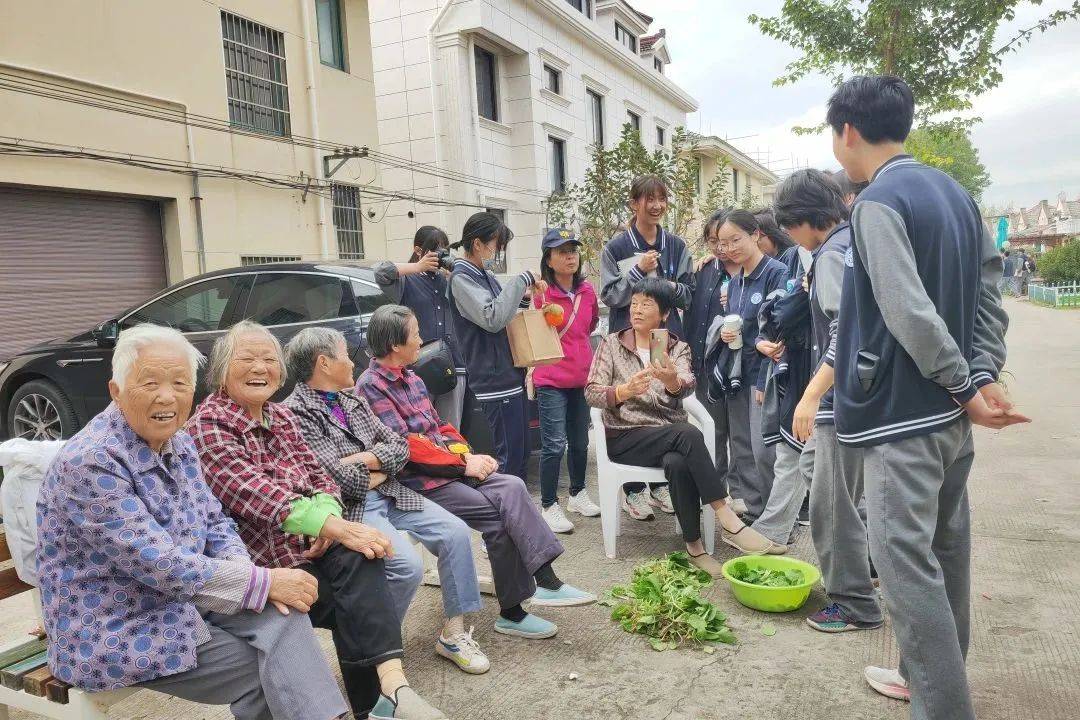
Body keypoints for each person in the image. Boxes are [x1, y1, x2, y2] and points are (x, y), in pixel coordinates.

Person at [827, 75, 1027, 719]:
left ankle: (942, 705)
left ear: (848, 131)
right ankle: (928, 676)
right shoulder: (958, 196)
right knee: (946, 548)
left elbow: (907, 312)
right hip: (947, 415)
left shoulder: (878, 203)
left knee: (904, 564)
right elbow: (987, 298)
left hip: (903, 414)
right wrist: (982, 371)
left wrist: (965, 382)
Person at [35, 324, 350, 720]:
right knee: (274, 664)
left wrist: (245, 575)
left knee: (283, 617)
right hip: (116, 625)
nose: (167, 396)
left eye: (180, 383)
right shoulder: (92, 461)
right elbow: (157, 562)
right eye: (150, 383)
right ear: (116, 391)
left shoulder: (179, 441)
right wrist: (263, 581)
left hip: (185, 599)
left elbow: (215, 521)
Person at [187, 321, 445, 720]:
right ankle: (379, 702)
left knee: (362, 560)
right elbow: (257, 494)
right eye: (247, 358)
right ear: (220, 369)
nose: (260, 367)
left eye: (269, 359)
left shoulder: (280, 417)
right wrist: (335, 527)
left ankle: (391, 688)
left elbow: (320, 476)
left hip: (307, 550)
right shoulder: (208, 425)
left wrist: (327, 519)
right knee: (354, 583)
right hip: (260, 571)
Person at [357, 304, 596, 642]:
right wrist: (461, 463)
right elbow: (405, 446)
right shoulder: (370, 386)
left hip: (448, 467)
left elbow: (440, 426)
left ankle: (545, 580)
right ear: (395, 344)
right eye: (415, 335)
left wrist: (468, 455)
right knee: (498, 518)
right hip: (418, 481)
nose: (422, 340)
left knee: (512, 485)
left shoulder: (411, 378)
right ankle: (516, 609)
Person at [283, 327, 491, 675]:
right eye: (345, 354)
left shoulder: (351, 398)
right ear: (323, 363)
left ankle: (453, 633)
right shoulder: (296, 413)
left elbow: (398, 446)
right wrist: (375, 464)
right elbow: (331, 476)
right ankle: (377, 650)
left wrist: (364, 461)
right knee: (406, 565)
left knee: (455, 533)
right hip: (353, 508)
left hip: (393, 493)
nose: (353, 360)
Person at [586, 276, 777, 565]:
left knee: (678, 460)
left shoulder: (677, 348)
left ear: (664, 314)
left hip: (669, 437)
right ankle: (726, 517)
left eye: (646, 304)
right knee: (688, 433)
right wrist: (623, 391)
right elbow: (591, 393)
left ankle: (695, 547)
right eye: (634, 304)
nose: (636, 310)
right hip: (626, 437)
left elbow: (687, 382)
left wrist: (671, 380)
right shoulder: (611, 344)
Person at [776, 168, 884, 635]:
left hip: (840, 400)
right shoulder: (846, 245)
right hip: (854, 397)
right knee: (823, 482)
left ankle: (854, 601)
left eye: (787, 226)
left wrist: (811, 393)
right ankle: (866, 566)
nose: (787, 236)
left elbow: (846, 333)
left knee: (830, 503)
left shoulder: (833, 255)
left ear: (801, 220)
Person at [447, 211, 544, 482]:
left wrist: (523, 299)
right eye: (496, 245)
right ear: (478, 244)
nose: (498, 251)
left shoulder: (483, 274)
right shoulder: (462, 278)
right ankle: (504, 518)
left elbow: (504, 316)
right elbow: (491, 318)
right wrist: (522, 279)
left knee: (520, 451)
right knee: (509, 459)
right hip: (493, 379)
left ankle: (518, 515)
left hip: (508, 373)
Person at [713, 209, 790, 521]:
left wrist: (758, 343)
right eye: (723, 243)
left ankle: (777, 515)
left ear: (756, 234)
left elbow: (780, 324)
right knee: (742, 445)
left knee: (765, 449)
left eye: (736, 239)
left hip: (765, 375)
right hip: (737, 373)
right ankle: (757, 510)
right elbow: (736, 326)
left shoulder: (777, 272)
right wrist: (726, 331)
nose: (730, 248)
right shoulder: (734, 283)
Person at [532, 228, 602, 533]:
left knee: (580, 441)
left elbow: (592, 325)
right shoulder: (540, 294)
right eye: (562, 251)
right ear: (549, 258)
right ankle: (549, 504)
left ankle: (577, 494)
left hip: (581, 377)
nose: (570, 256)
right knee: (553, 445)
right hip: (550, 378)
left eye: (573, 250)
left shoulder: (587, 292)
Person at [373, 226, 465, 428]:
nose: (440, 257)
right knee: (420, 428)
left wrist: (456, 276)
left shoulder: (448, 280)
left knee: (451, 430)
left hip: (453, 364)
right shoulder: (406, 280)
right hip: (418, 367)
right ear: (418, 250)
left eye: (444, 251)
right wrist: (418, 266)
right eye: (435, 250)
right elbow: (380, 272)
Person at [683, 210, 743, 515]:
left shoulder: (748, 270)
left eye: (725, 240)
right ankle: (717, 490)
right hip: (707, 364)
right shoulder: (703, 271)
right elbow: (692, 316)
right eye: (713, 240)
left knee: (742, 432)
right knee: (715, 430)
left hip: (741, 365)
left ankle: (744, 491)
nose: (720, 247)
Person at [600, 174, 695, 337]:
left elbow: (689, 296)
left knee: (662, 364)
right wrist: (638, 271)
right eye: (650, 200)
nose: (657, 206)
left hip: (667, 337)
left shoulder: (676, 246)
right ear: (633, 204)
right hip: (627, 339)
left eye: (662, 199)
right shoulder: (615, 248)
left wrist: (670, 287)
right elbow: (610, 296)